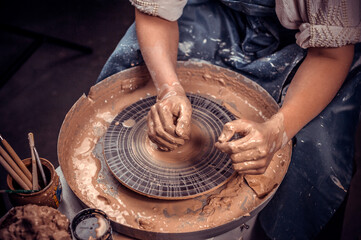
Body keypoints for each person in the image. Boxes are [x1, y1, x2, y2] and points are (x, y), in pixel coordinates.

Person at [97, 0, 361, 239]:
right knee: (127, 80)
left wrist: (278, 130)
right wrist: (168, 88)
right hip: (215, 11)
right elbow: (155, 14)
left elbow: (330, 54)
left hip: (312, 46)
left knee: (317, 158)